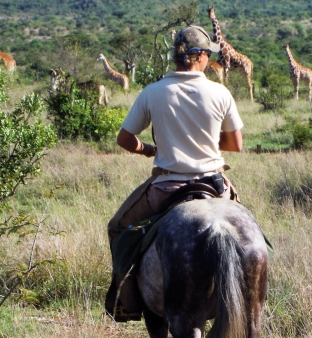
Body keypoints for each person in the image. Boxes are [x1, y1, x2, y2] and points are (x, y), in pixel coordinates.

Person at [105, 25, 244, 322]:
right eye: (207, 54)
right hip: (215, 184)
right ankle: (250, 296)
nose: (209, 58)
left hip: (167, 185)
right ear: (198, 57)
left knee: (118, 228)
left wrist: (147, 149)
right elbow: (235, 143)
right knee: (248, 234)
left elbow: (124, 139)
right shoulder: (220, 92)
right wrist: (205, 138)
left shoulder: (153, 92)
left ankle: (126, 304)